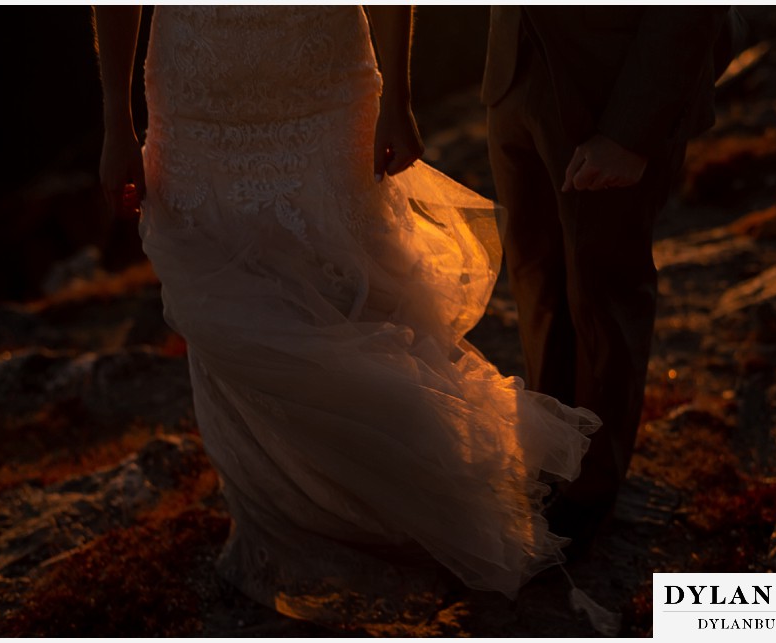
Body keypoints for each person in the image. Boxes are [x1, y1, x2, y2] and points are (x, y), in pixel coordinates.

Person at [95, 5, 605, 633]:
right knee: (229, 306)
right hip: (199, 92)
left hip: (325, 77)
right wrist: (116, 120)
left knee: (357, 292)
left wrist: (399, 92)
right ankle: (278, 523)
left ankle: (421, 516)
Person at [483, 7, 736, 554]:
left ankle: (589, 492)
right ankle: (548, 462)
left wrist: (632, 131)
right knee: (538, 287)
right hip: (512, 71)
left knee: (601, 292)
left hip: (608, 86)